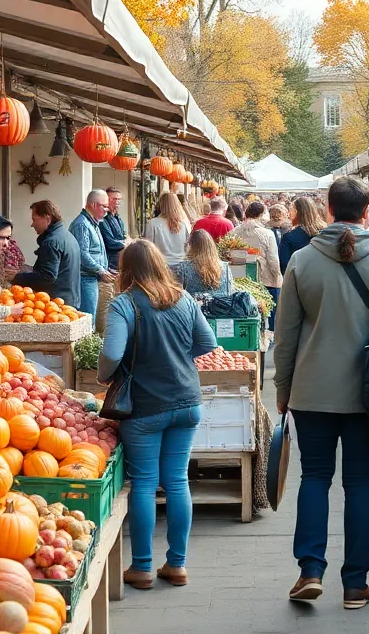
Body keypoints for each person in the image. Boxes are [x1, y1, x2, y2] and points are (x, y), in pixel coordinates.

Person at [274, 177, 369, 609]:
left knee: (315, 478)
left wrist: (283, 390)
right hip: (368, 392)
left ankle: (310, 571)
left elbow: (284, 337)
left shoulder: (302, 260)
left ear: (327, 208)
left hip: (311, 390)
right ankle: (355, 583)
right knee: (360, 482)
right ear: (366, 212)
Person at [102, 240, 216, 590]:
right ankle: (177, 565)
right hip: (187, 401)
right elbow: (207, 342)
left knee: (145, 484)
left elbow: (110, 353)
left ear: (127, 270)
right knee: (178, 481)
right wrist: (178, 354)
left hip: (144, 408)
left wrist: (107, 375)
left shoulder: (124, 304)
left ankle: (142, 568)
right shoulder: (183, 298)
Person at [13, 200, 81, 307]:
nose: (32, 224)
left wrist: (16, 277)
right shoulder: (67, 236)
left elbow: (47, 277)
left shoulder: (51, 242)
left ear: (47, 218)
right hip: (69, 300)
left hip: (55, 304)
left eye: (34, 219)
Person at [232, 201, 282, 329]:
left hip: (240, 279)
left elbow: (228, 256)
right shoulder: (267, 234)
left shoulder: (234, 232)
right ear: (260, 215)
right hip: (265, 280)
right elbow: (273, 261)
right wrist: (277, 277)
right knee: (267, 313)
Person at [70, 190, 113, 326]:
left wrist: (106, 269)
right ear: (94, 205)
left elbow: (96, 252)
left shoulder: (92, 223)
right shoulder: (82, 224)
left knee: (91, 320)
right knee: (88, 322)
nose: (107, 210)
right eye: (104, 206)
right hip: (85, 279)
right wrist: (101, 270)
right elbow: (83, 254)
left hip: (91, 278)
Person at [173, 229, 235, 297]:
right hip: (222, 306)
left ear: (191, 246)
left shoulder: (183, 268)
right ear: (211, 245)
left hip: (197, 306)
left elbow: (179, 296)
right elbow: (230, 292)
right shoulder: (225, 267)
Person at [143, 192, 192, 266]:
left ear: (161, 205)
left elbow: (147, 247)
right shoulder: (182, 225)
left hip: (161, 267)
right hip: (181, 266)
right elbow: (187, 247)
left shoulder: (152, 224)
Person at [279, 197, 324, 274]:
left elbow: (284, 265)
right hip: (324, 279)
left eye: (291, 211)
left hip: (300, 280)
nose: (289, 214)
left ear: (296, 212)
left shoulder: (289, 237)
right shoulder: (325, 232)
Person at [99, 186, 128, 270]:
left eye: (118, 199)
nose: (117, 202)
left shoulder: (117, 217)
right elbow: (110, 243)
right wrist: (127, 243)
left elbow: (124, 235)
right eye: (114, 199)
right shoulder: (103, 218)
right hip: (109, 263)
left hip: (120, 261)